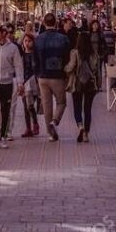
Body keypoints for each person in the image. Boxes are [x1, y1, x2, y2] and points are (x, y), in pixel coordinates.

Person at [35, 13, 71, 142]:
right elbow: (68, 57)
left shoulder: (38, 39)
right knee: (61, 102)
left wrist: (37, 74)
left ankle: (50, 133)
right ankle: (54, 122)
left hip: (42, 76)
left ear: (44, 23)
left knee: (46, 105)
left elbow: (35, 59)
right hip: (58, 75)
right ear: (56, 23)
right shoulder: (63, 39)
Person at [66, 33, 99, 143]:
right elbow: (97, 70)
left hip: (77, 83)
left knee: (77, 106)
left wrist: (65, 69)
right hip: (90, 83)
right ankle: (86, 134)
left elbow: (71, 67)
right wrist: (98, 84)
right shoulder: (94, 54)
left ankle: (80, 126)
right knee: (88, 109)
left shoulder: (74, 52)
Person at [20, 33, 40, 137]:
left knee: (30, 105)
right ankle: (28, 128)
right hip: (24, 82)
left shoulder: (36, 55)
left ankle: (35, 123)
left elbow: (38, 69)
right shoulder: (22, 55)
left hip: (34, 82)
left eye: (29, 41)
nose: (27, 43)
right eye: (25, 41)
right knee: (25, 106)